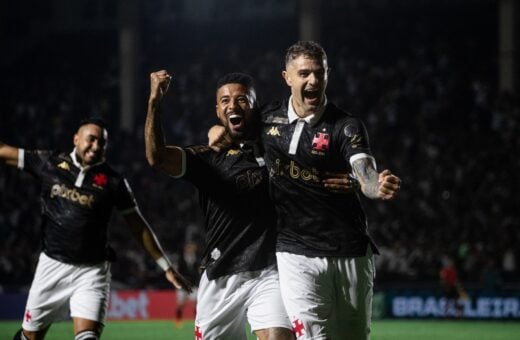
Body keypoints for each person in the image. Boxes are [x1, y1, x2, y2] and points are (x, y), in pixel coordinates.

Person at [210, 41, 401, 339]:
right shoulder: (266, 118)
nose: (313, 80)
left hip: (349, 249)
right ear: (287, 77)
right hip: (294, 252)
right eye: (304, 74)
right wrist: (215, 130)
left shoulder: (346, 126)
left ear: (327, 75)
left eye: (319, 73)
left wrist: (373, 184)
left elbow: (364, 169)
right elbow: (230, 129)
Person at [0, 118, 192, 340]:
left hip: (92, 272)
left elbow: (138, 226)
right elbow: (5, 151)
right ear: (76, 139)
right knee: (30, 338)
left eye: (102, 143)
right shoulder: (49, 163)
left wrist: (166, 267)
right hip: (52, 266)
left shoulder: (113, 182)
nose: (96, 146)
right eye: (91, 139)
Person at [146, 70, 298, 340]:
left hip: (269, 271)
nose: (233, 105)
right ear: (217, 110)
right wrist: (155, 101)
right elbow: (156, 157)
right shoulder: (209, 159)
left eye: (242, 100)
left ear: (255, 105)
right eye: (225, 101)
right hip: (220, 276)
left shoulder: (277, 145)